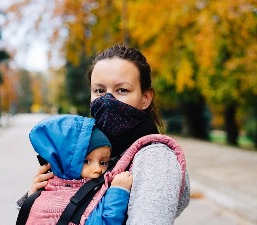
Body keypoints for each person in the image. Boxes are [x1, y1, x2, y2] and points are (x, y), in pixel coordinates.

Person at [19, 43, 190, 224]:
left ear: (145, 98)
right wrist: (39, 198)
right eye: (99, 91)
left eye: (122, 90)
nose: (108, 100)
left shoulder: (156, 159)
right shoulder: (95, 149)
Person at [22, 114, 132, 225]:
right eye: (86, 161)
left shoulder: (94, 187)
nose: (98, 169)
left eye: (103, 163)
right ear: (65, 162)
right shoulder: (52, 200)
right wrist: (118, 192)